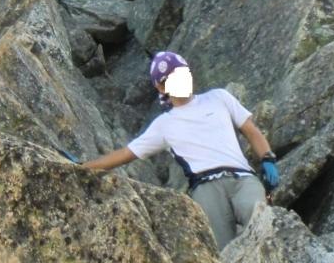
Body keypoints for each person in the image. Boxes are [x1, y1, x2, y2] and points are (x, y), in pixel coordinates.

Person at [81, 51, 279, 249]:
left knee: (263, 226)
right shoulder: (164, 125)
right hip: (205, 188)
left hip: (243, 178)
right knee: (223, 250)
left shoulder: (219, 97)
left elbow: (251, 130)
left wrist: (268, 158)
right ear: (161, 87)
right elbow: (126, 154)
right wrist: (82, 168)